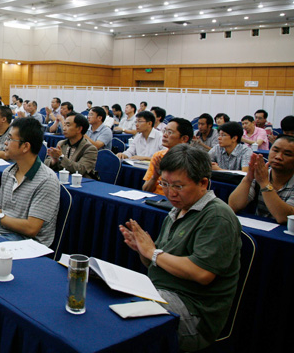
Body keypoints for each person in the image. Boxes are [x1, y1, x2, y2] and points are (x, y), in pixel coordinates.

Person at [120, 144, 241, 351]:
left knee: (124, 324)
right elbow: (157, 263)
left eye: (178, 186)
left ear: (203, 183)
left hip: (194, 312)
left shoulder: (217, 216)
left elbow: (201, 273)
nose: (170, 193)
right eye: (165, 184)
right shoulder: (177, 211)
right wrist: (143, 250)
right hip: (161, 291)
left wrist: (153, 252)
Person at [0, 117, 60, 247]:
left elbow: (31, 229)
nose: (5, 143)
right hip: (2, 233)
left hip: (28, 244)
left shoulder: (46, 180)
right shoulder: (8, 172)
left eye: (10, 139)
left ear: (25, 146)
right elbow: (5, 212)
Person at [229, 135, 294, 224]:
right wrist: (248, 179)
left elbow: (284, 217)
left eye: (287, 154)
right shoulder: (260, 174)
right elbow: (233, 206)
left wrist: (264, 183)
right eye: (275, 150)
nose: (278, 157)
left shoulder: (262, 178)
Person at [142, 118, 193, 195]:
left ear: (184, 138)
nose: (165, 135)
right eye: (164, 131)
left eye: (170, 132)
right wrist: (155, 177)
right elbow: (145, 190)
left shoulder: (191, 159)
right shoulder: (158, 156)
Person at [45, 113, 98, 179]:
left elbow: (80, 169)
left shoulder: (90, 149)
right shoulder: (61, 143)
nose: (64, 129)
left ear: (79, 129)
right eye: (64, 125)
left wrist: (61, 157)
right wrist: (54, 160)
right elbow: (46, 163)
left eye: (68, 125)